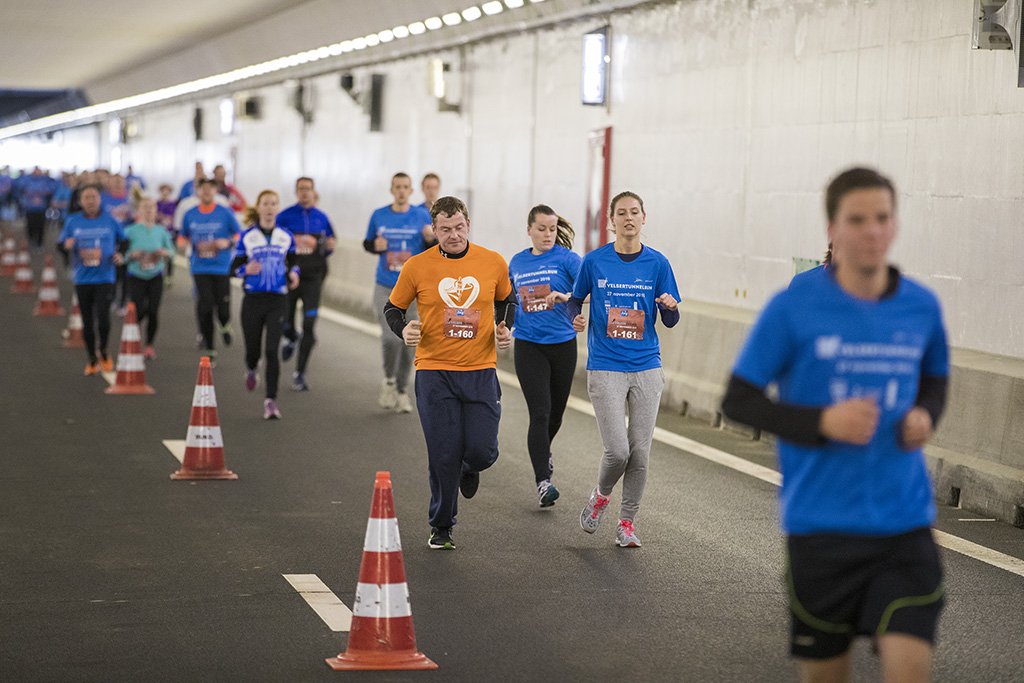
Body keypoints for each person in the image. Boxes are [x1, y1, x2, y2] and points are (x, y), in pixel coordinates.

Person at [720, 168, 949, 683]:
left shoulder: (921, 306)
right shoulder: (793, 307)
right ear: (832, 228)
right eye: (857, 219)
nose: (872, 231)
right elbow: (739, 400)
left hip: (903, 525)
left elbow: (936, 379)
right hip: (821, 529)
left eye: (883, 218)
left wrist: (925, 415)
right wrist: (822, 421)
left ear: (894, 226)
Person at [383, 196, 516, 550]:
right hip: (434, 371)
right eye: (445, 229)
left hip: (480, 370)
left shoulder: (492, 262)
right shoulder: (417, 266)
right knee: (443, 452)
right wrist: (404, 330)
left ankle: (469, 466)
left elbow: (508, 299)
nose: (454, 235)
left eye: (459, 227)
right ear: (434, 230)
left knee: (484, 450)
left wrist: (505, 326)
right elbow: (393, 307)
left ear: (468, 225)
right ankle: (442, 525)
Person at [561, 191, 681, 548]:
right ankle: (600, 495)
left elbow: (671, 320)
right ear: (611, 221)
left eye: (634, 213)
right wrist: (576, 317)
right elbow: (572, 301)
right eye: (621, 214)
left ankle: (626, 523)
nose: (629, 219)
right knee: (618, 451)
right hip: (606, 366)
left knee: (640, 452)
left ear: (644, 218)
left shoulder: (658, 264)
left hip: (646, 366)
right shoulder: (594, 261)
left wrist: (670, 306)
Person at [508, 205, 582, 507]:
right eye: (541, 229)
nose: (548, 234)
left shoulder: (568, 259)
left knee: (555, 415)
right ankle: (543, 481)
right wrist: (503, 325)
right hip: (529, 345)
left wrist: (566, 298)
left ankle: (543, 451)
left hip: (563, 345)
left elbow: (587, 292)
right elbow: (507, 300)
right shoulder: (517, 262)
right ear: (529, 230)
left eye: (552, 229)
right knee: (539, 412)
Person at [363, 172, 435, 413]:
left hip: (413, 290)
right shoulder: (379, 215)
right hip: (385, 285)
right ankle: (389, 380)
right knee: (390, 337)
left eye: (406, 187)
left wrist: (430, 239)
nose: (402, 191)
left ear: (411, 191)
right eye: (397, 187)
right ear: (392, 190)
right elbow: (368, 243)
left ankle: (402, 390)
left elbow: (432, 249)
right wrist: (375, 246)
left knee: (409, 341)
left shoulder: (421, 215)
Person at [231, 190, 300, 420]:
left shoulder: (286, 236)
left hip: (278, 299)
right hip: (253, 300)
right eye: (265, 204)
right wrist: (244, 270)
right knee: (253, 350)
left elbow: (294, 261)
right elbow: (233, 268)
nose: (270, 208)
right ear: (258, 208)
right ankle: (251, 368)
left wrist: (294, 274)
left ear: (277, 208)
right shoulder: (247, 237)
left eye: (273, 204)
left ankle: (270, 400)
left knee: (272, 350)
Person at [57, 184, 126, 374]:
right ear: (80, 201)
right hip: (83, 278)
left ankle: (103, 350)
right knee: (87, 321)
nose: (90, 200)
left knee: (103, 317)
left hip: (105, 276)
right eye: (86, 197)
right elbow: (60, 245)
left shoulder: (110, 220)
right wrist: (66, 247)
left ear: (99, 199)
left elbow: (125, 240)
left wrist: (120, 255)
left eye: (94, 197)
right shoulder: (72, 221)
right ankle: (91, 359)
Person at [275, 176, 335, 391]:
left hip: (313, 278)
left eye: (308, 189)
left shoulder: (322, 218)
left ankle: (300, 373)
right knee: (286, 321)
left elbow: (330, 244)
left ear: (313, 191)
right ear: (296, 192)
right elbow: (274, 242)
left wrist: (318, 242)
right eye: (301, 189)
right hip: (289, 277)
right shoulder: (284, 217)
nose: (305, 193)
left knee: (309, 323)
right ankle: (290, 336)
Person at [180, 178, 240, 361]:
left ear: (215, 191)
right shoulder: (190, 214)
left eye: (210, 189)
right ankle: (210, 346)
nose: (206, 192)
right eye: (202, 189)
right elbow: (182, 238)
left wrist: (227, 242)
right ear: (197, 192)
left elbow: (238, 235)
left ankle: (225, 324)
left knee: (222, 308)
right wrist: (187, 246)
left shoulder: (224, 213)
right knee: (205, 305)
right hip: (199, 267)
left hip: (221, 267)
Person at [124, 197, 174, 359]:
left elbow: (171, 251)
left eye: (151, 207)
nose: (148, 211)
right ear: (139, 211)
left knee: (153, 310)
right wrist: (132, 255)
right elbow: (122, 255)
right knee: (137, 310)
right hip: (136, 275)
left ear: (156, 211)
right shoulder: (130, 231)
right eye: (145, 207)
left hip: (155, 275)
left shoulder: (161, 231)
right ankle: (135, 338)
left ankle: (150, 345)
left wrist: (163, 253)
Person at [20, 167, 55, 247]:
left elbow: (50, 190)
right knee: (30, 225)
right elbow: (22, 188)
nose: (36, 173)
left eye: (38, 171)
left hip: (41, 209)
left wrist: (40, 194)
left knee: (41, 226)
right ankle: (31, 241)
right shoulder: (27, 180)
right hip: (30, 208)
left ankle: (40, 243)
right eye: (35, 171)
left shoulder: (45, 180)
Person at [155, 183, 178, 283]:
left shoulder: (173, 204)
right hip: (158, 234)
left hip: (170, 233)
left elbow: (174, 218)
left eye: (167, 190)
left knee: (169, 255)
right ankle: (157, 273)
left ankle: (169, 275)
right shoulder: (156, 204)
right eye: (163, 190)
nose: (165, 193)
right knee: (158, 253)